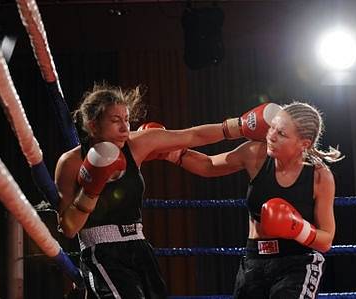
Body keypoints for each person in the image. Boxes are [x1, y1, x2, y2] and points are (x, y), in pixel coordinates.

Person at [54, 83, 228, 299]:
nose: (125, 128)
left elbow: (192, 136)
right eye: (115, 121)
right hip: (101, 252)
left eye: (126, 119)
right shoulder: (70, 162)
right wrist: (91, 190)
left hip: (139, 247)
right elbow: (68, 229)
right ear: (94, 126)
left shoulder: (136, 144)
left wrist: (236, 126)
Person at [170, 101, 342, 298]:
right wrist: (174, 153)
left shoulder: (319, 176)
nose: (271, 136)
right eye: (273, 128)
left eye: (282, 134)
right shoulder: (255, 154)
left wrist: (297, 227)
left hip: (297, 263)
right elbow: (209, 165)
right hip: (254, 260)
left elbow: (326, 240)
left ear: (305, 143)